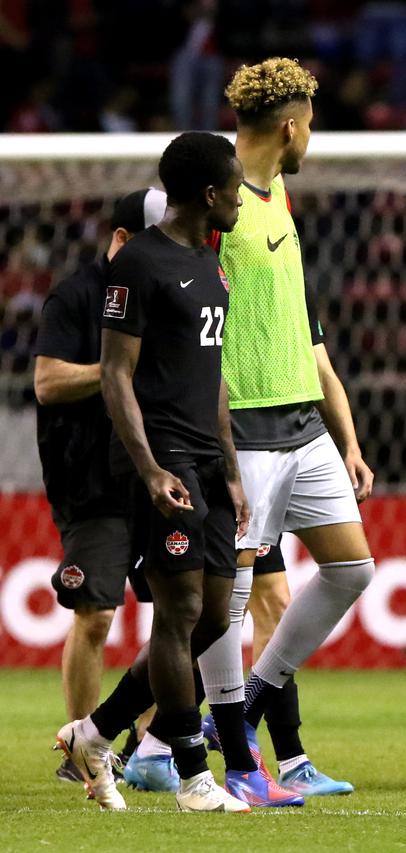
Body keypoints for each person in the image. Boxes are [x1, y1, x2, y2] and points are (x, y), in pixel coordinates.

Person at [56, 131, 253, 813]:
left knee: (215, 616)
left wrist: (229, 466)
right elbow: (115, 375)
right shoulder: (138, 263)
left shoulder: (212, 263)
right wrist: (147, 468)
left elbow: (215, 373)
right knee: (179, 613)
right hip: (161, 456)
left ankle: (95, 729)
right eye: (234, 188)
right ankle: (194, 777)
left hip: (206, 457)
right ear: (208, 193)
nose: (240, 198)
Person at [196, 56, 371, 798]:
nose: (313, 138)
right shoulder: (216, 201)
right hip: (247, 430)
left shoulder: (279, 198)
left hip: (304, 427)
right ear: (292, 125)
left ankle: (248, 706)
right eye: (312, 125)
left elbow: (304, 331)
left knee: (351, 567)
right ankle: (223, 754)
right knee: (224, 604)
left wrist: (348, 436)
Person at [36, 188, 169, 788]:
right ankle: (81, 749)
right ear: (121, 240)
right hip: (90, 478)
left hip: (157, 471)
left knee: (178, 611)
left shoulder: (172, 289)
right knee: (95, 614)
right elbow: (46, 381)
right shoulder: (76, 295)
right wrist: (114, 370)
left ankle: (148, 747)